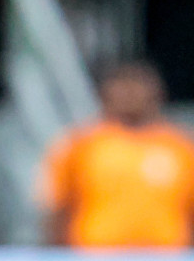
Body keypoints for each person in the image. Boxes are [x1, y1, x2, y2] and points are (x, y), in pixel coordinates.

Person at [41, 62, 194, 250]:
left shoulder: (181, 147)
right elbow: (59, 206)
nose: (130, 95)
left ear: (156, 92)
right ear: (106, 94)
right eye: (122, 88)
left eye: (137, 87)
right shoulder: (81, 144)